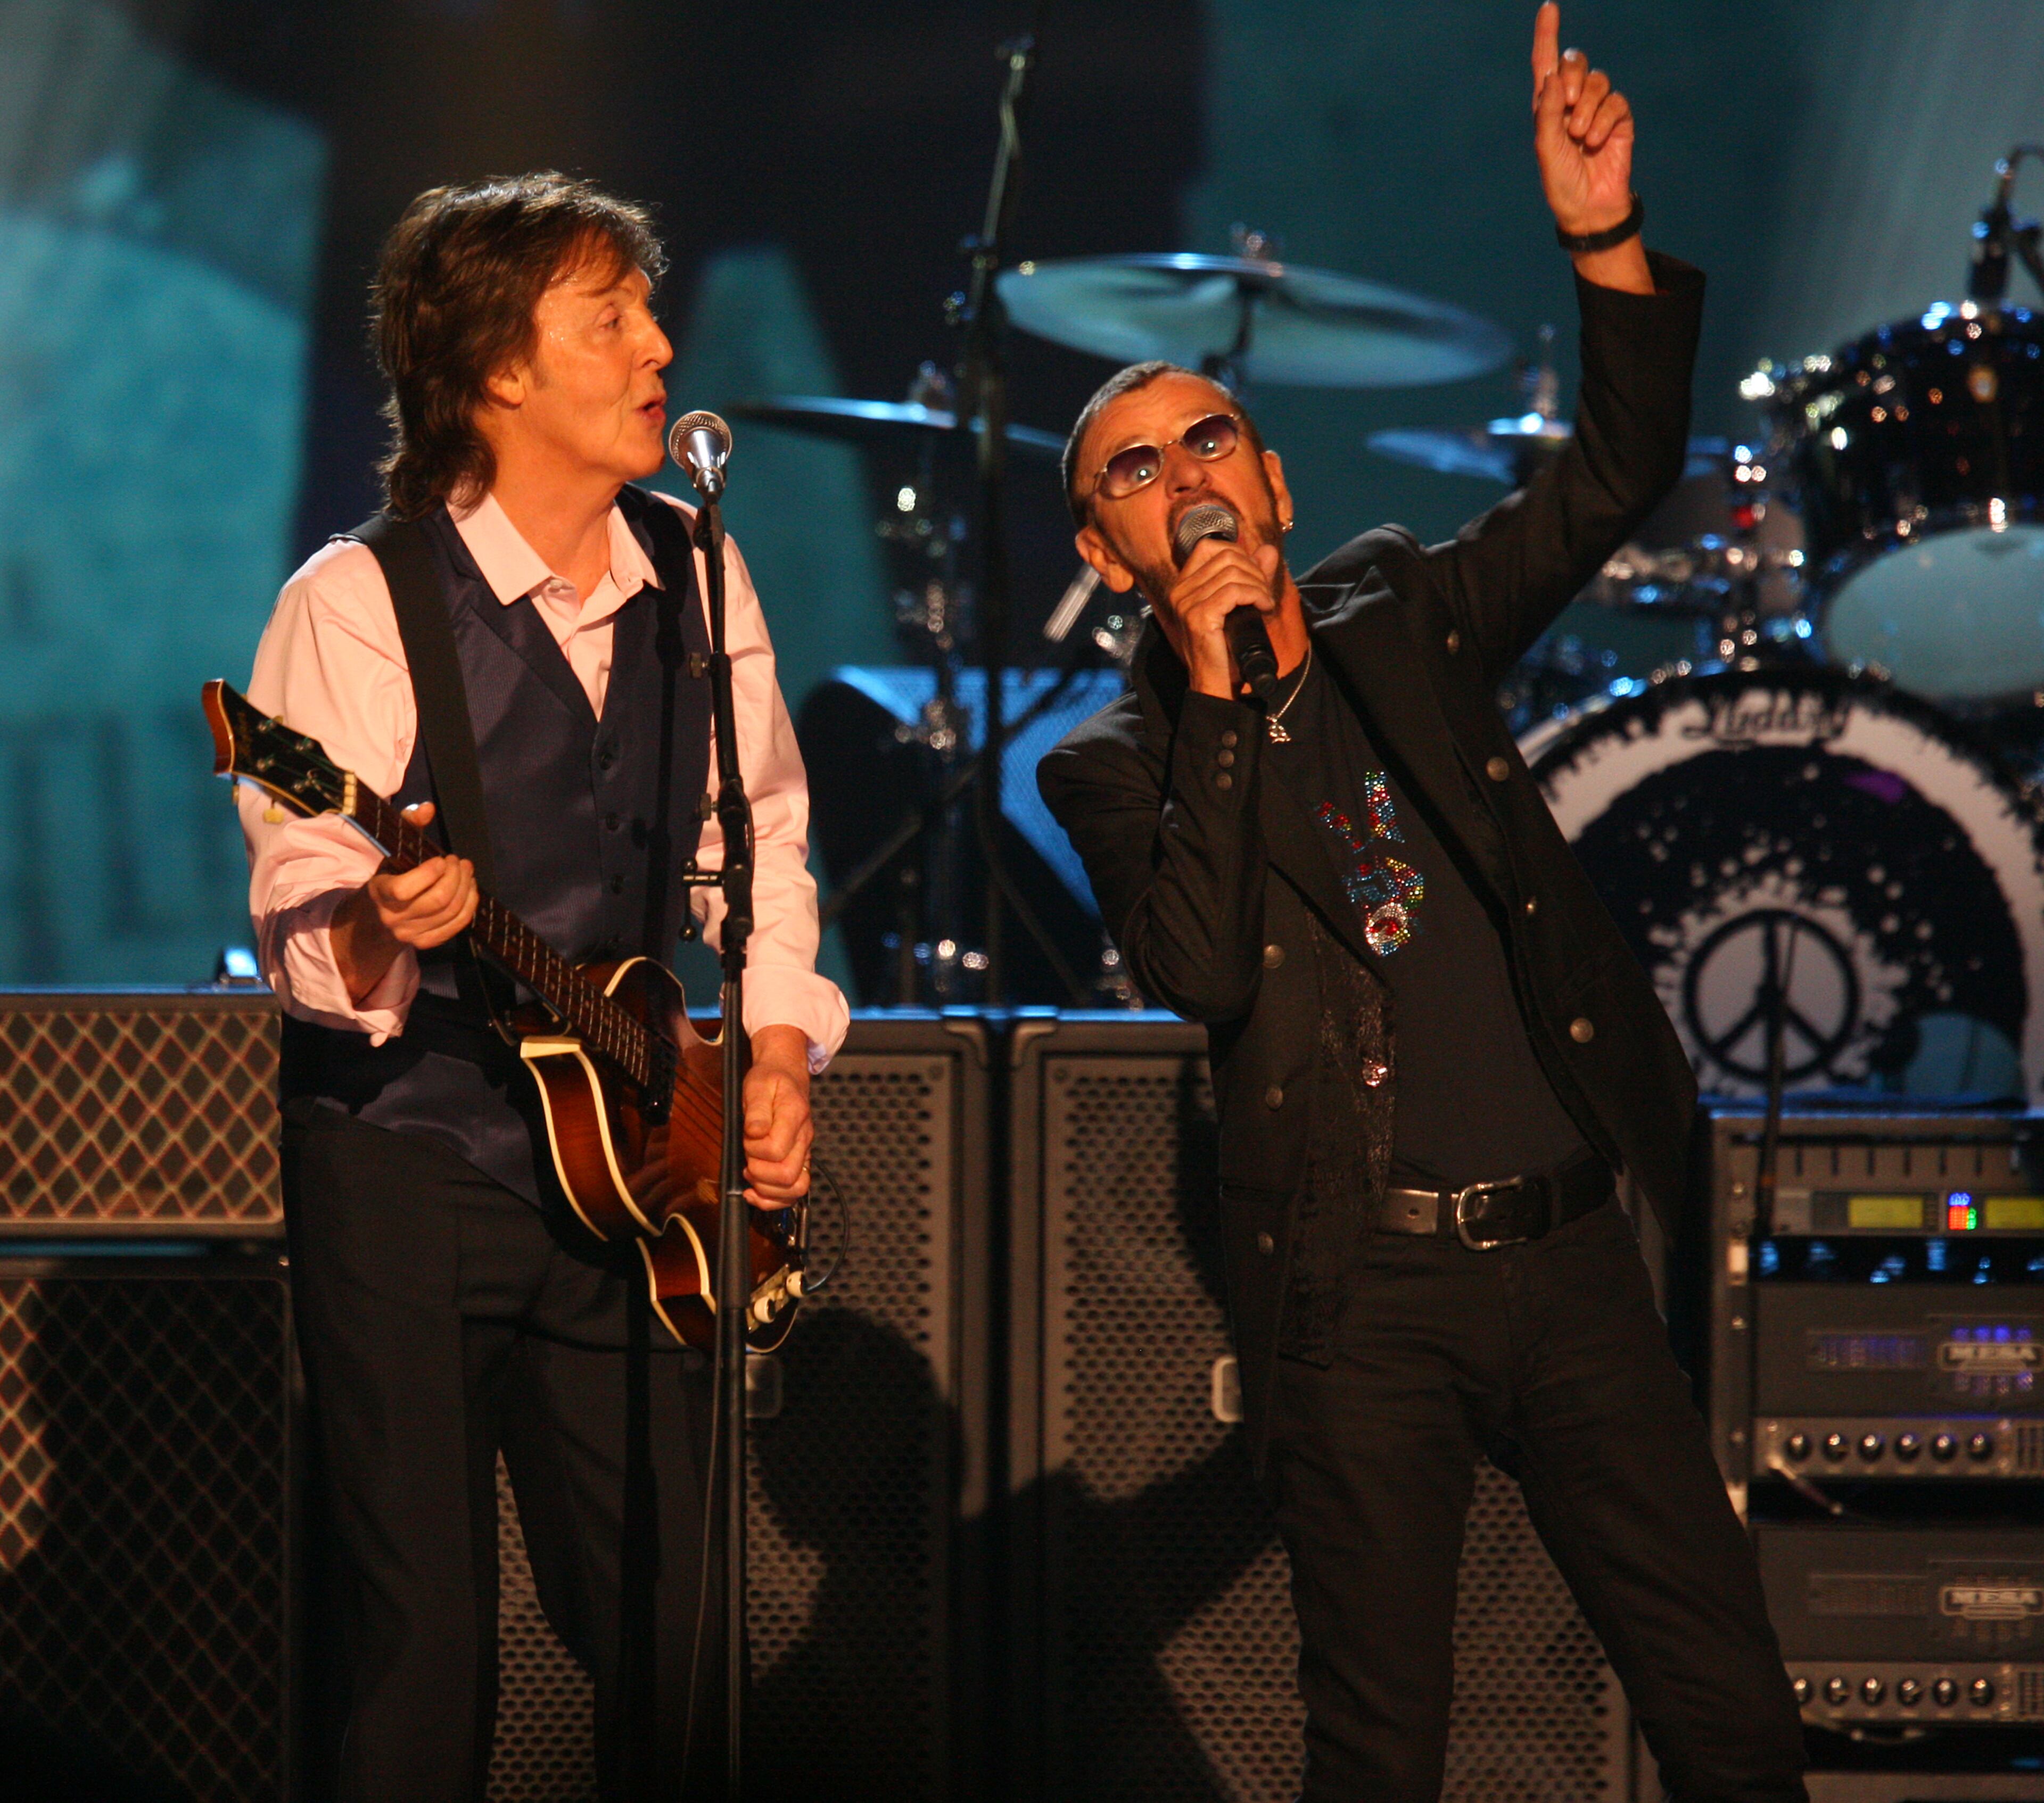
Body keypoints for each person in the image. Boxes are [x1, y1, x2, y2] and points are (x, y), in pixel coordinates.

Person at [1036, 11, 1807, 1800]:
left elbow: (1609, 476)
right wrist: (1226, 692)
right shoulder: (1114, 760)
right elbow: (1205, 968)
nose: (1188, 477)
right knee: (1378, 1751)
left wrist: (1603, 240)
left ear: (1278, 479)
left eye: (1211, 436)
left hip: (1570, 1260)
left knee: (1734, 1718)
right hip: (1361, 1294)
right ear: (1101, 552)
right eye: (1133, 471)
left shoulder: (1406, 614)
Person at [238, 172, 848, 1801]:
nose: (663, 345)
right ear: (502, 371)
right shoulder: (355, 600)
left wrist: (772, 1050)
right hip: (410, 1170)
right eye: (615, 318)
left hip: (637, 1189)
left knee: (682, 1641)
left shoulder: (700, 576)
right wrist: (389, 904)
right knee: (426, 1651)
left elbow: (763, 839)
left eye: (650, 312)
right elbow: (308, 912)